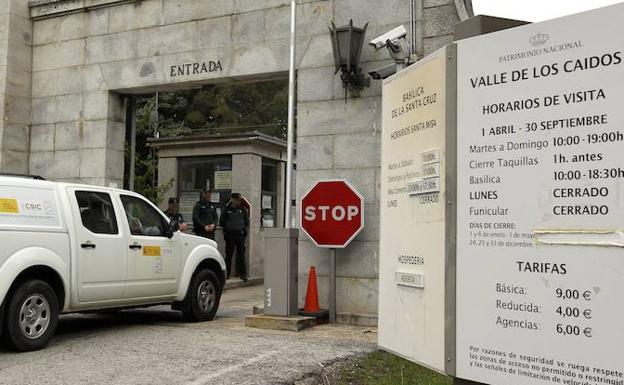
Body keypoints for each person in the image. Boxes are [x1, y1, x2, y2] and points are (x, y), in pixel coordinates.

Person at [219, 193, 249, 281]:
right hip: (230, 235)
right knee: (229, 255)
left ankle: (243, 274)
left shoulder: (242, 209)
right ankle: (226, 274)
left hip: (240, 235)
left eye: (239, 200)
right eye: (237, 199)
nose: (238, 201)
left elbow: (246, 222)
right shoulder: (226, 209)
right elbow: (221, 222)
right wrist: (228, 228)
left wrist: (243, 230)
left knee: (241, 255)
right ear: (232, 199)